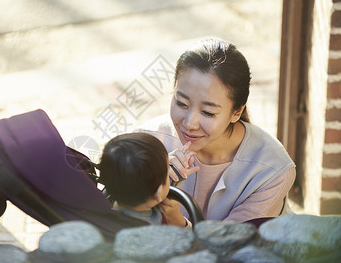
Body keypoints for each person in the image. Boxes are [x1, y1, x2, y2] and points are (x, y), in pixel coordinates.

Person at [137, 38, 296, 222]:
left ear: (237, 112)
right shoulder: (144, 142)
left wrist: (176, 222)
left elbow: (229, 247)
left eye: (208, 112)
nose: (189, 123)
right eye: (181, 103)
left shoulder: (271, 171)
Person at [98, 132, 191, 227]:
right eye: (168, 170)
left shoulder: (105, 200)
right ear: (158, 193)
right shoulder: (154, 227)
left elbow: (145, 181)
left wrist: (176, 175)